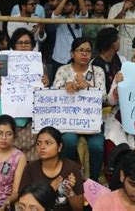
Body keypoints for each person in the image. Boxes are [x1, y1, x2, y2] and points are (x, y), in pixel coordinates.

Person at [52, 38, 106, 181]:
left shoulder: (98, 71)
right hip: (68, 122)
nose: (84, 54)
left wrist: (89, 87)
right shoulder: (63, 70)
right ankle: (69, 178)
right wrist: (66, 88)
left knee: (97, 146)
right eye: (80, 50)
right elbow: (53, 95)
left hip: (91, 122)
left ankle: (93, 182)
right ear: (72, 53)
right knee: (68, 141)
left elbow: (104, 97)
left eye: (88, 51)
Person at [0, 28, 49, 161]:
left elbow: (43, 93)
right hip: (10, 112)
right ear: (13, 45)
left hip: (31, 114)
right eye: (20, 43)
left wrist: (46, 83)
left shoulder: (40, 66)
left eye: (27, 43)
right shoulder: (4, 64)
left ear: (32, 45)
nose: (23, 46)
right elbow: (0, 92)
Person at [19, 127, 84, 211]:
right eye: (39, 143)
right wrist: (50, 190)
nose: (42, 147)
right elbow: (23, 203)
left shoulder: (72, 168)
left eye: (48, 143)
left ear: (59, 147)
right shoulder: (30, 168)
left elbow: (79, 209)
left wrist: (69, 191)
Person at [50, 0, 88, 82]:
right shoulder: (59, 19)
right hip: (59, 58)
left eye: (68, 4)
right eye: (64, 4)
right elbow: (54, 16)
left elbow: (85, 13)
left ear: (74, 6)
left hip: (76, 59)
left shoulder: (79, 19)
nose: (65, 6)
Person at [92, 27, 122, 93]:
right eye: (118, 39)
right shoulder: (97, 64)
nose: (120, 42)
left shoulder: (115, 57)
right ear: (114, 44)